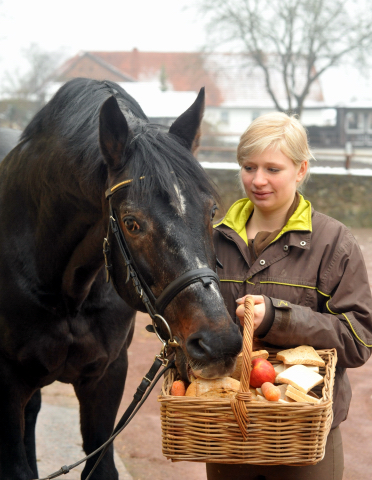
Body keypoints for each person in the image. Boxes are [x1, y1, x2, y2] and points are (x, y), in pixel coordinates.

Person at [209, 112, 372, 480]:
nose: (258, 180)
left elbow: (359, 338)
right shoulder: (212, 237)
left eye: (273, 168)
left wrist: (279, 319)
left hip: (305, 435)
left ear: (300, 170)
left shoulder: (334, 242)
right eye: (248, 167)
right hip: (228, 430)